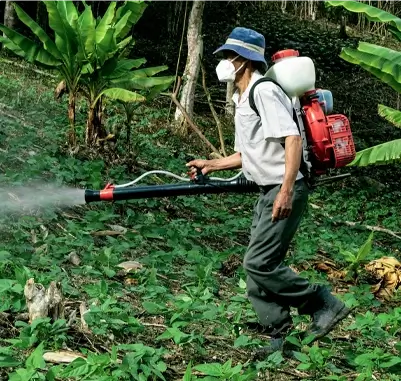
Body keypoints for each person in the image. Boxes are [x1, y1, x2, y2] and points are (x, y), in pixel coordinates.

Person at [186, 27, 350, 356]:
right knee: (257, 266)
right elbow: (250, 152)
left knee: (258, 263)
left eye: (229, 56)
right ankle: (281, 336)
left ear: (245, 61)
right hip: (267, 189)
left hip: (285, 187)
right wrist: (212, 164)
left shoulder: (263, 91)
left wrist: (286, 191)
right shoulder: (240, 97)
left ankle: (322, 301)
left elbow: (291, 139)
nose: (223, 62)